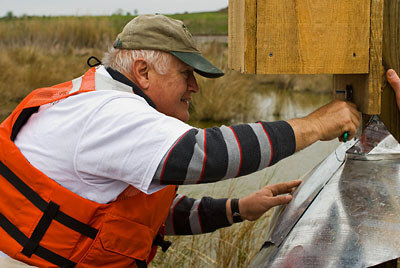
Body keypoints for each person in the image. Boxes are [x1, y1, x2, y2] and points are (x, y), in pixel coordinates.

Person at [0, 15, 361, 268]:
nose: (194, 87)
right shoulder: (110, 112)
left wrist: (239, 207)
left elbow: (138, 217)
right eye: (185, 74)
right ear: (142, 71)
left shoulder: (96, 99)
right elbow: (207, 155)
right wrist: (316, 124)